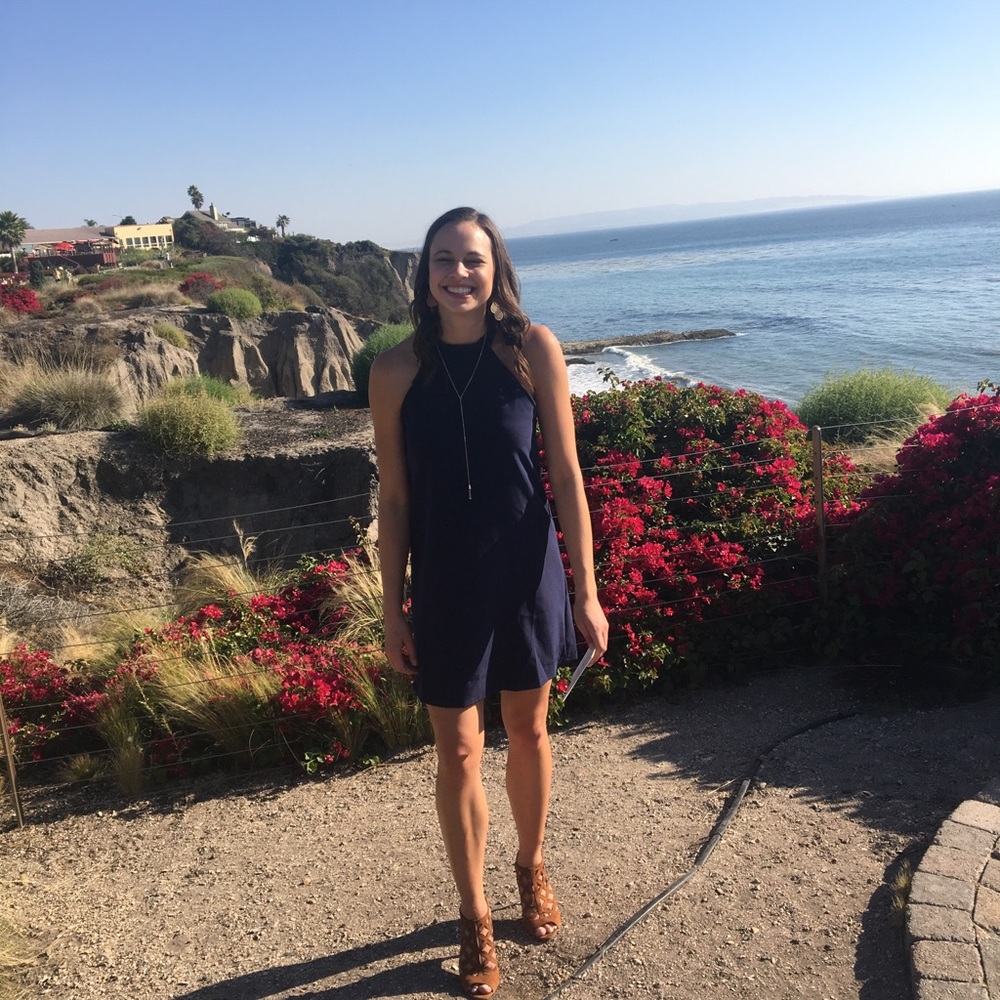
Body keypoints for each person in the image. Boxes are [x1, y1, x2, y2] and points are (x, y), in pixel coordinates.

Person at [369, 207, 608, 997]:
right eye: (444, 259)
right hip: (445, 580)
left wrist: (588, 589)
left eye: (472, 259)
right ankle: (474, 913)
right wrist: (391, 607)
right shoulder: (397, 370)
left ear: (495, 267)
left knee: (529, 728)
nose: (458, 274)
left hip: (526, 569)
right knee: (460, 750)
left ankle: (530, 865)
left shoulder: (531, 349)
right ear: (425, 273)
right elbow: (396, 500)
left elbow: (567, 477)